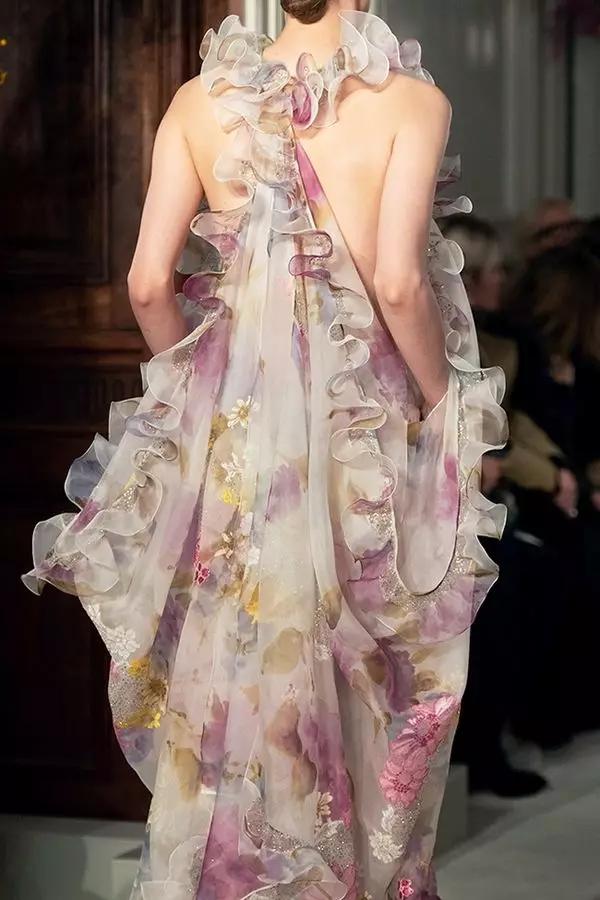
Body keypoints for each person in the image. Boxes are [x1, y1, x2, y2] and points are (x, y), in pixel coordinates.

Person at [22, 2, 506, 898]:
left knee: (238, 674)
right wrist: (451, 408)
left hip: (241, 447)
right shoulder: (411, 103)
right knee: (370, 686)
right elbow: (400, 284)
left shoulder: (197, 101)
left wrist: (205, 392)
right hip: (369, 442)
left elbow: (148, 284)